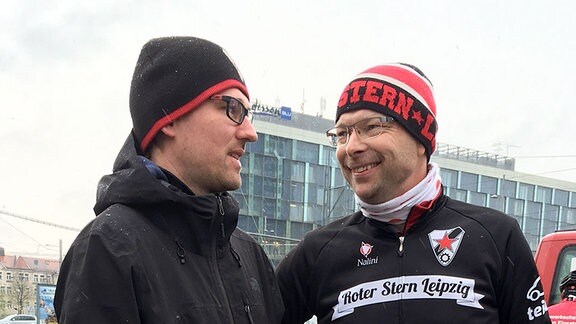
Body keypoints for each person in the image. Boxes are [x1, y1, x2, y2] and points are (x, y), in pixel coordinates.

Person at [275, 63, 551, 323]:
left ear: (421, 139)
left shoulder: (496, 236)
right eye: (342, 133)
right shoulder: (319, 250)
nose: (351, 147)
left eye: (371, 127)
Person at [54, 36, 284, 323]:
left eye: (247, 114)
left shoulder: (250, 254)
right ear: (169, 118)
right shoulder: (108, 248)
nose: (251, 133)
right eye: (232, 109)